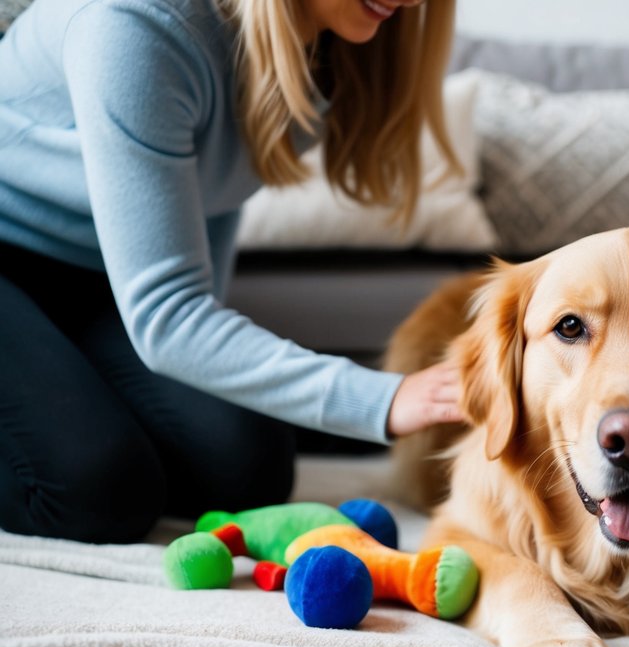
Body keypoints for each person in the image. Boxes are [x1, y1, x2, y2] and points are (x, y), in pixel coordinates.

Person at [0, 0, 464, 544]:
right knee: (95, 494)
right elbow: (168, 317)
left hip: (99, 275)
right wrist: (382, 400)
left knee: (248, 468)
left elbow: (212, 197)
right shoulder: (134, 25)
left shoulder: (327, 40)